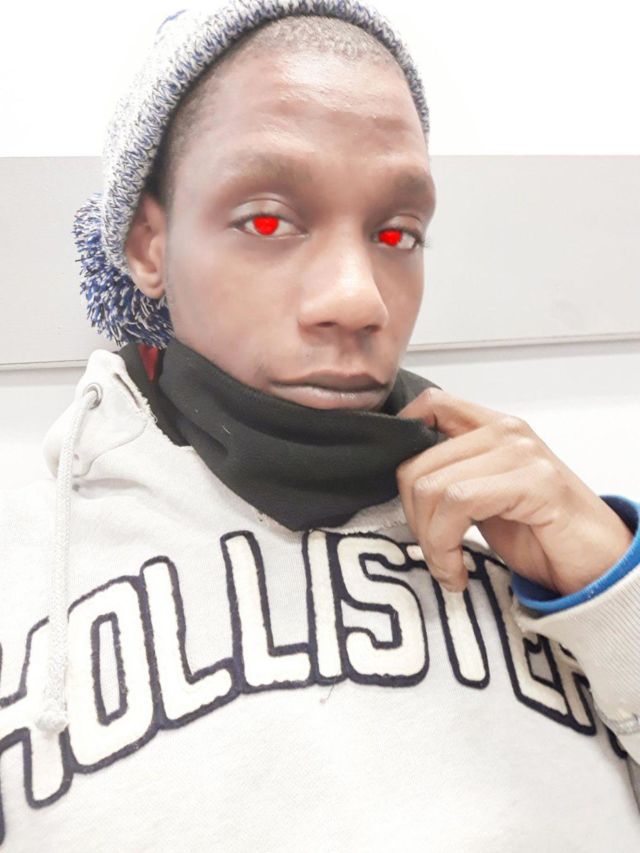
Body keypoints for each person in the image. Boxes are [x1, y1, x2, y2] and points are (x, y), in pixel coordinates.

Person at [1, 2, 639, 849]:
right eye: (268, 221)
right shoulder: (22, 579)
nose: (359, 300)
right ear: (148, 245)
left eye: (397, 233)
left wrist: (615, 594)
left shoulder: (537, 544)